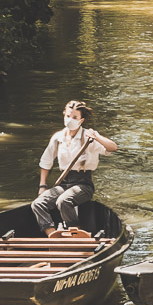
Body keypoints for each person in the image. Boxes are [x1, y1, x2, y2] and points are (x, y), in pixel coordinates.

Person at [30, 99, 117, 237]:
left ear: (81, 121)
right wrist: (42, 185)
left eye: (75, 117)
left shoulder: (89, 137)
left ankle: (75, 235)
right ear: (64, 115)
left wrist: (97, 136)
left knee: (64, 201)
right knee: (38, 204)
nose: (70, 119)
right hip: (64, 183)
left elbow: (113, 148)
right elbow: (46, 162)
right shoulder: (58, 138)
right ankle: (52, 236)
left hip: (83, 184)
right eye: (68, 116)